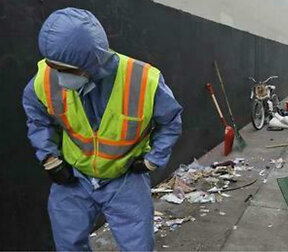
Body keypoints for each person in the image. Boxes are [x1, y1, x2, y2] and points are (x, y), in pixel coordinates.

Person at [22, 8, 182, 251]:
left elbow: (170, 121)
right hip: (75, 177)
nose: (59, 77)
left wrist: (152, 160)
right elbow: (37, 118)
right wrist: (50, 159)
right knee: (68, 245)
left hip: (124, 178)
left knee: (138, 246)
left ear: (91, 61)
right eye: (54, 67)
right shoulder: (46, 78)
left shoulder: (143, 79)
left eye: (68, 70)